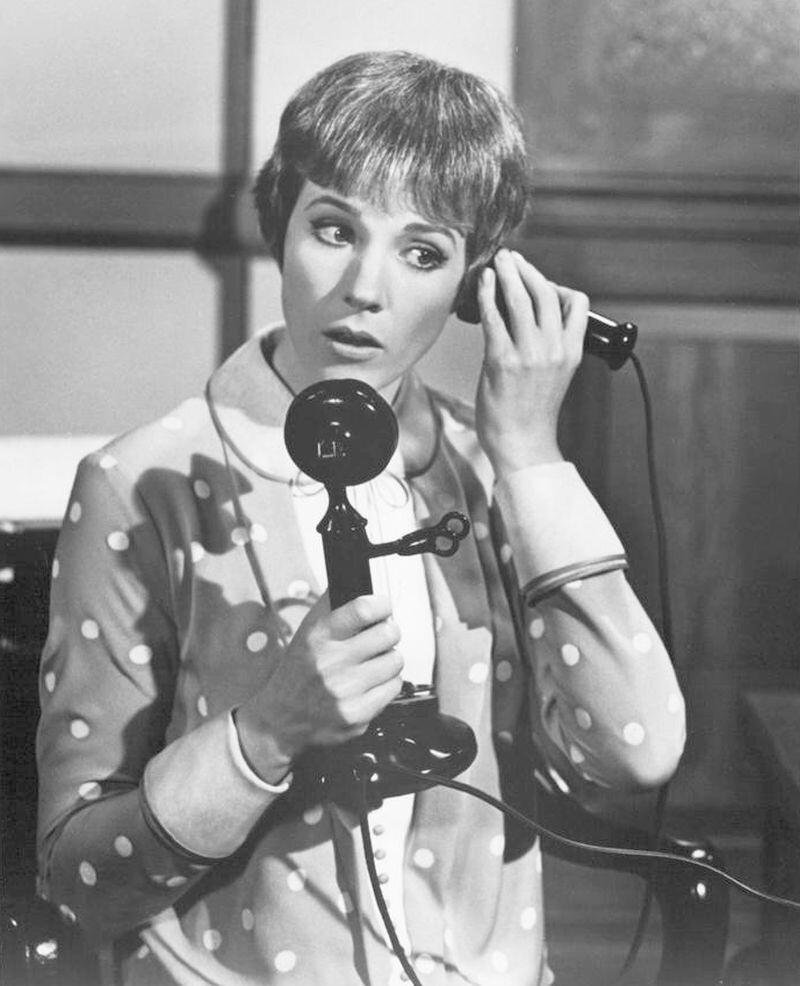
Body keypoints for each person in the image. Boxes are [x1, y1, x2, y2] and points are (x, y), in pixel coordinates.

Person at [36, 50, 686, 986]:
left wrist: (528, 455)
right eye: (334, 229)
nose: (365, 289)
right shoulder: (141, 483)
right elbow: (78, 880)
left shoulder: (491, 472)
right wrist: (265, 734)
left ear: (474, 286)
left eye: (422, 253)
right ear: (280, 224)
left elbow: (636, 757)